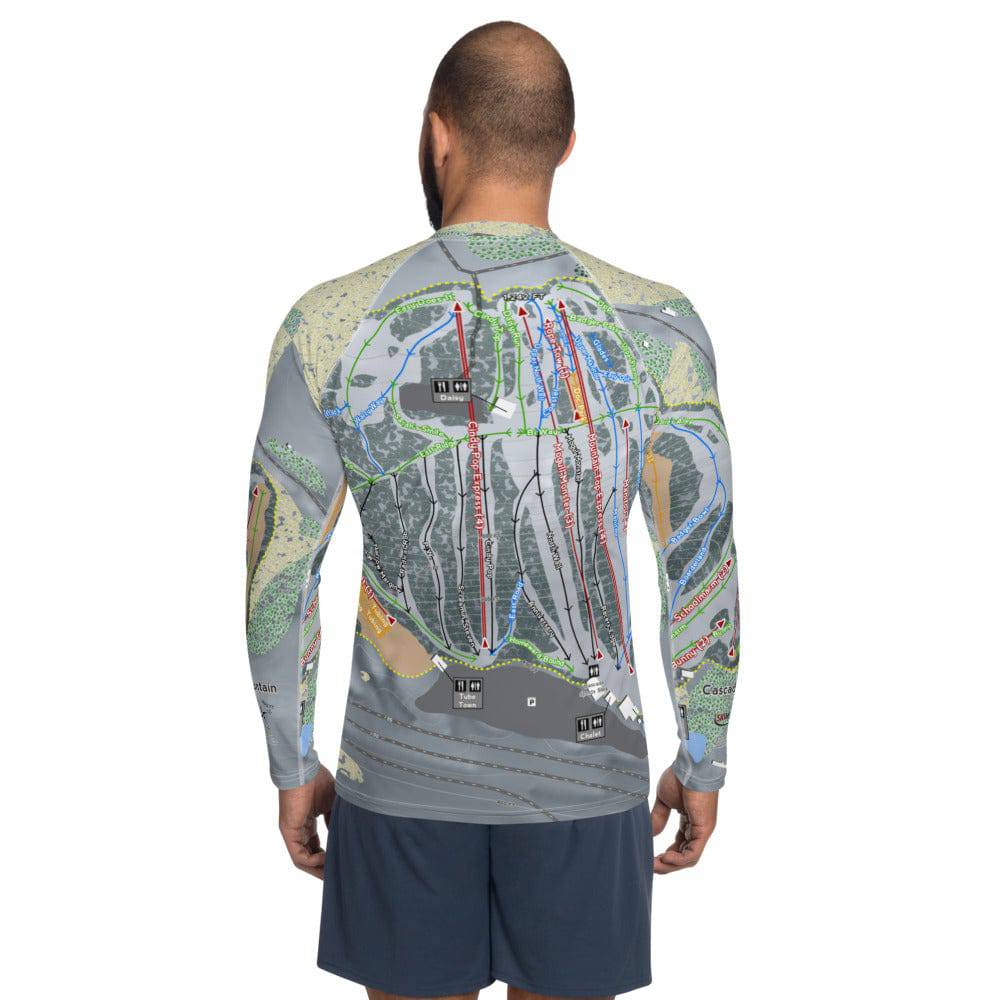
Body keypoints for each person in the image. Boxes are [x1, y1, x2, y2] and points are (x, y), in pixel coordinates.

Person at [245, 20, 740, 1000]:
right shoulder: (656, 327)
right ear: (564, 142)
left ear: (439, 133)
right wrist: (704, 755)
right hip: (588, 776)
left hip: (397, 782)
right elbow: (701, 562)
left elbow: (278, 569)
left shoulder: (330, 322)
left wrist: (291, 762)